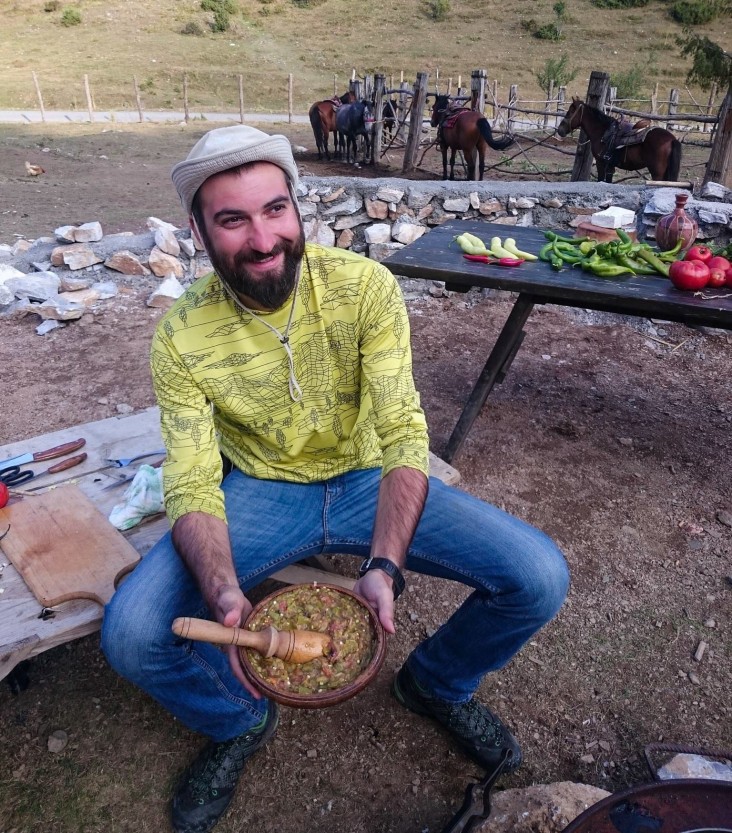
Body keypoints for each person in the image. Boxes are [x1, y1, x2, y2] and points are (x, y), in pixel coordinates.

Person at [101, 124, 569, 833]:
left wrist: (384, 562)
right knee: (133, 633)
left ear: (297, 208)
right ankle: (238, 720)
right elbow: (193, 478)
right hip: (260, 489)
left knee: (538, 574)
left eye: (275, 210)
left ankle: (434, 682)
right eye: (232, 219)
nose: (262, 239)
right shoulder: (180, 335)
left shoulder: (363, 288)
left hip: (364, 476)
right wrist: (225, 592)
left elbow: (404, 431)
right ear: (198, 230)